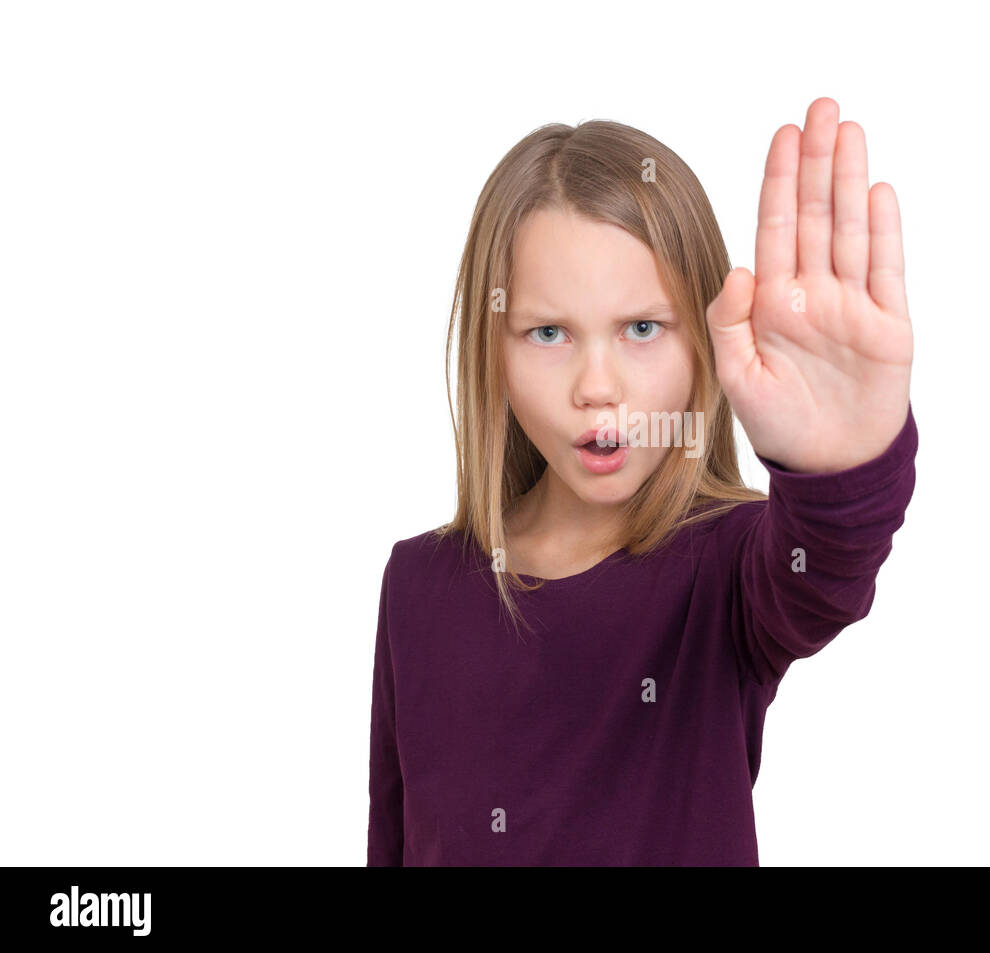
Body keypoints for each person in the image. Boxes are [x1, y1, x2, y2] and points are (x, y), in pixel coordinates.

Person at [367, 96, 918, 865]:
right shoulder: (420, 584)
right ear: (493, 351)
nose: (598, 384)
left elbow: (825, 565)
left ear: (704, 346)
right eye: (549, 332)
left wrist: (842, 463)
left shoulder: (727, 571)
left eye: (642, 328)